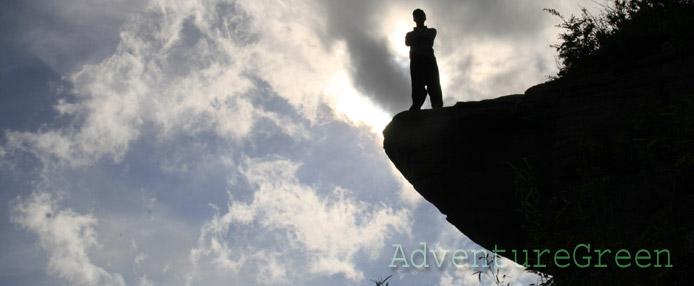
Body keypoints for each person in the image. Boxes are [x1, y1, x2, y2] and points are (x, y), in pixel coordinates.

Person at [406, 8, 443, 111]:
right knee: (417, 85)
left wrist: (417, 39)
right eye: (416, 16)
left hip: (428, 60)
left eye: (420, 15)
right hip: (416, 61)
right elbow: (408, 42)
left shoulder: (431, 31)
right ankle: (416, 105)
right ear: (414, 19)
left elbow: (428, 37)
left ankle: (437, 104)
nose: (419, 18)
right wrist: (421, 39)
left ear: (425, 17)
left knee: (434, 83)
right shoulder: (409, 34)